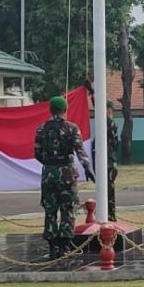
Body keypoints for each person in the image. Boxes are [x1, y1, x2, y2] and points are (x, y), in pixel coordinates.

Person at [34, 95, 95, 259]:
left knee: (50, 210)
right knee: (68, 209)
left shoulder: (41, 129)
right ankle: (65, 246)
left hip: (49, 173)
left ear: (50, 109)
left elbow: (37, 153)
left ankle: (53, 247)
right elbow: (80, 151)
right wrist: (88, 168)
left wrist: (50, 164)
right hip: (66, 173)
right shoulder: (72, 128)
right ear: (65, 110)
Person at [106, 101, 119, 222]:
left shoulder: (111, 124)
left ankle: (111, 215)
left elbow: (115, 144)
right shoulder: (108, 123)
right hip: (107, 161)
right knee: (108, 189)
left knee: (109, 190)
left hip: (109, 160)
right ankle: (109, 214)